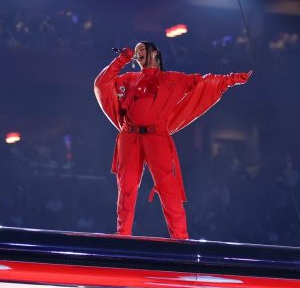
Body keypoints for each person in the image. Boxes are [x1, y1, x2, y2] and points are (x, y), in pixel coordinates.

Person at [94, 42, 252, 239]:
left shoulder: (172, 79)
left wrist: (231, 79)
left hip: (156, 136)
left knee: (168, 186)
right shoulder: (129, 79)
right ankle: (122, 234)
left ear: (155, 54)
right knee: (126, 185)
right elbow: (101, 84)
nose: (138, 52)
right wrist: (121, 60)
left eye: (143, 49)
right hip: (129, 135)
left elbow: (202, 82)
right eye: (137, 51)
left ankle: (180, 238)